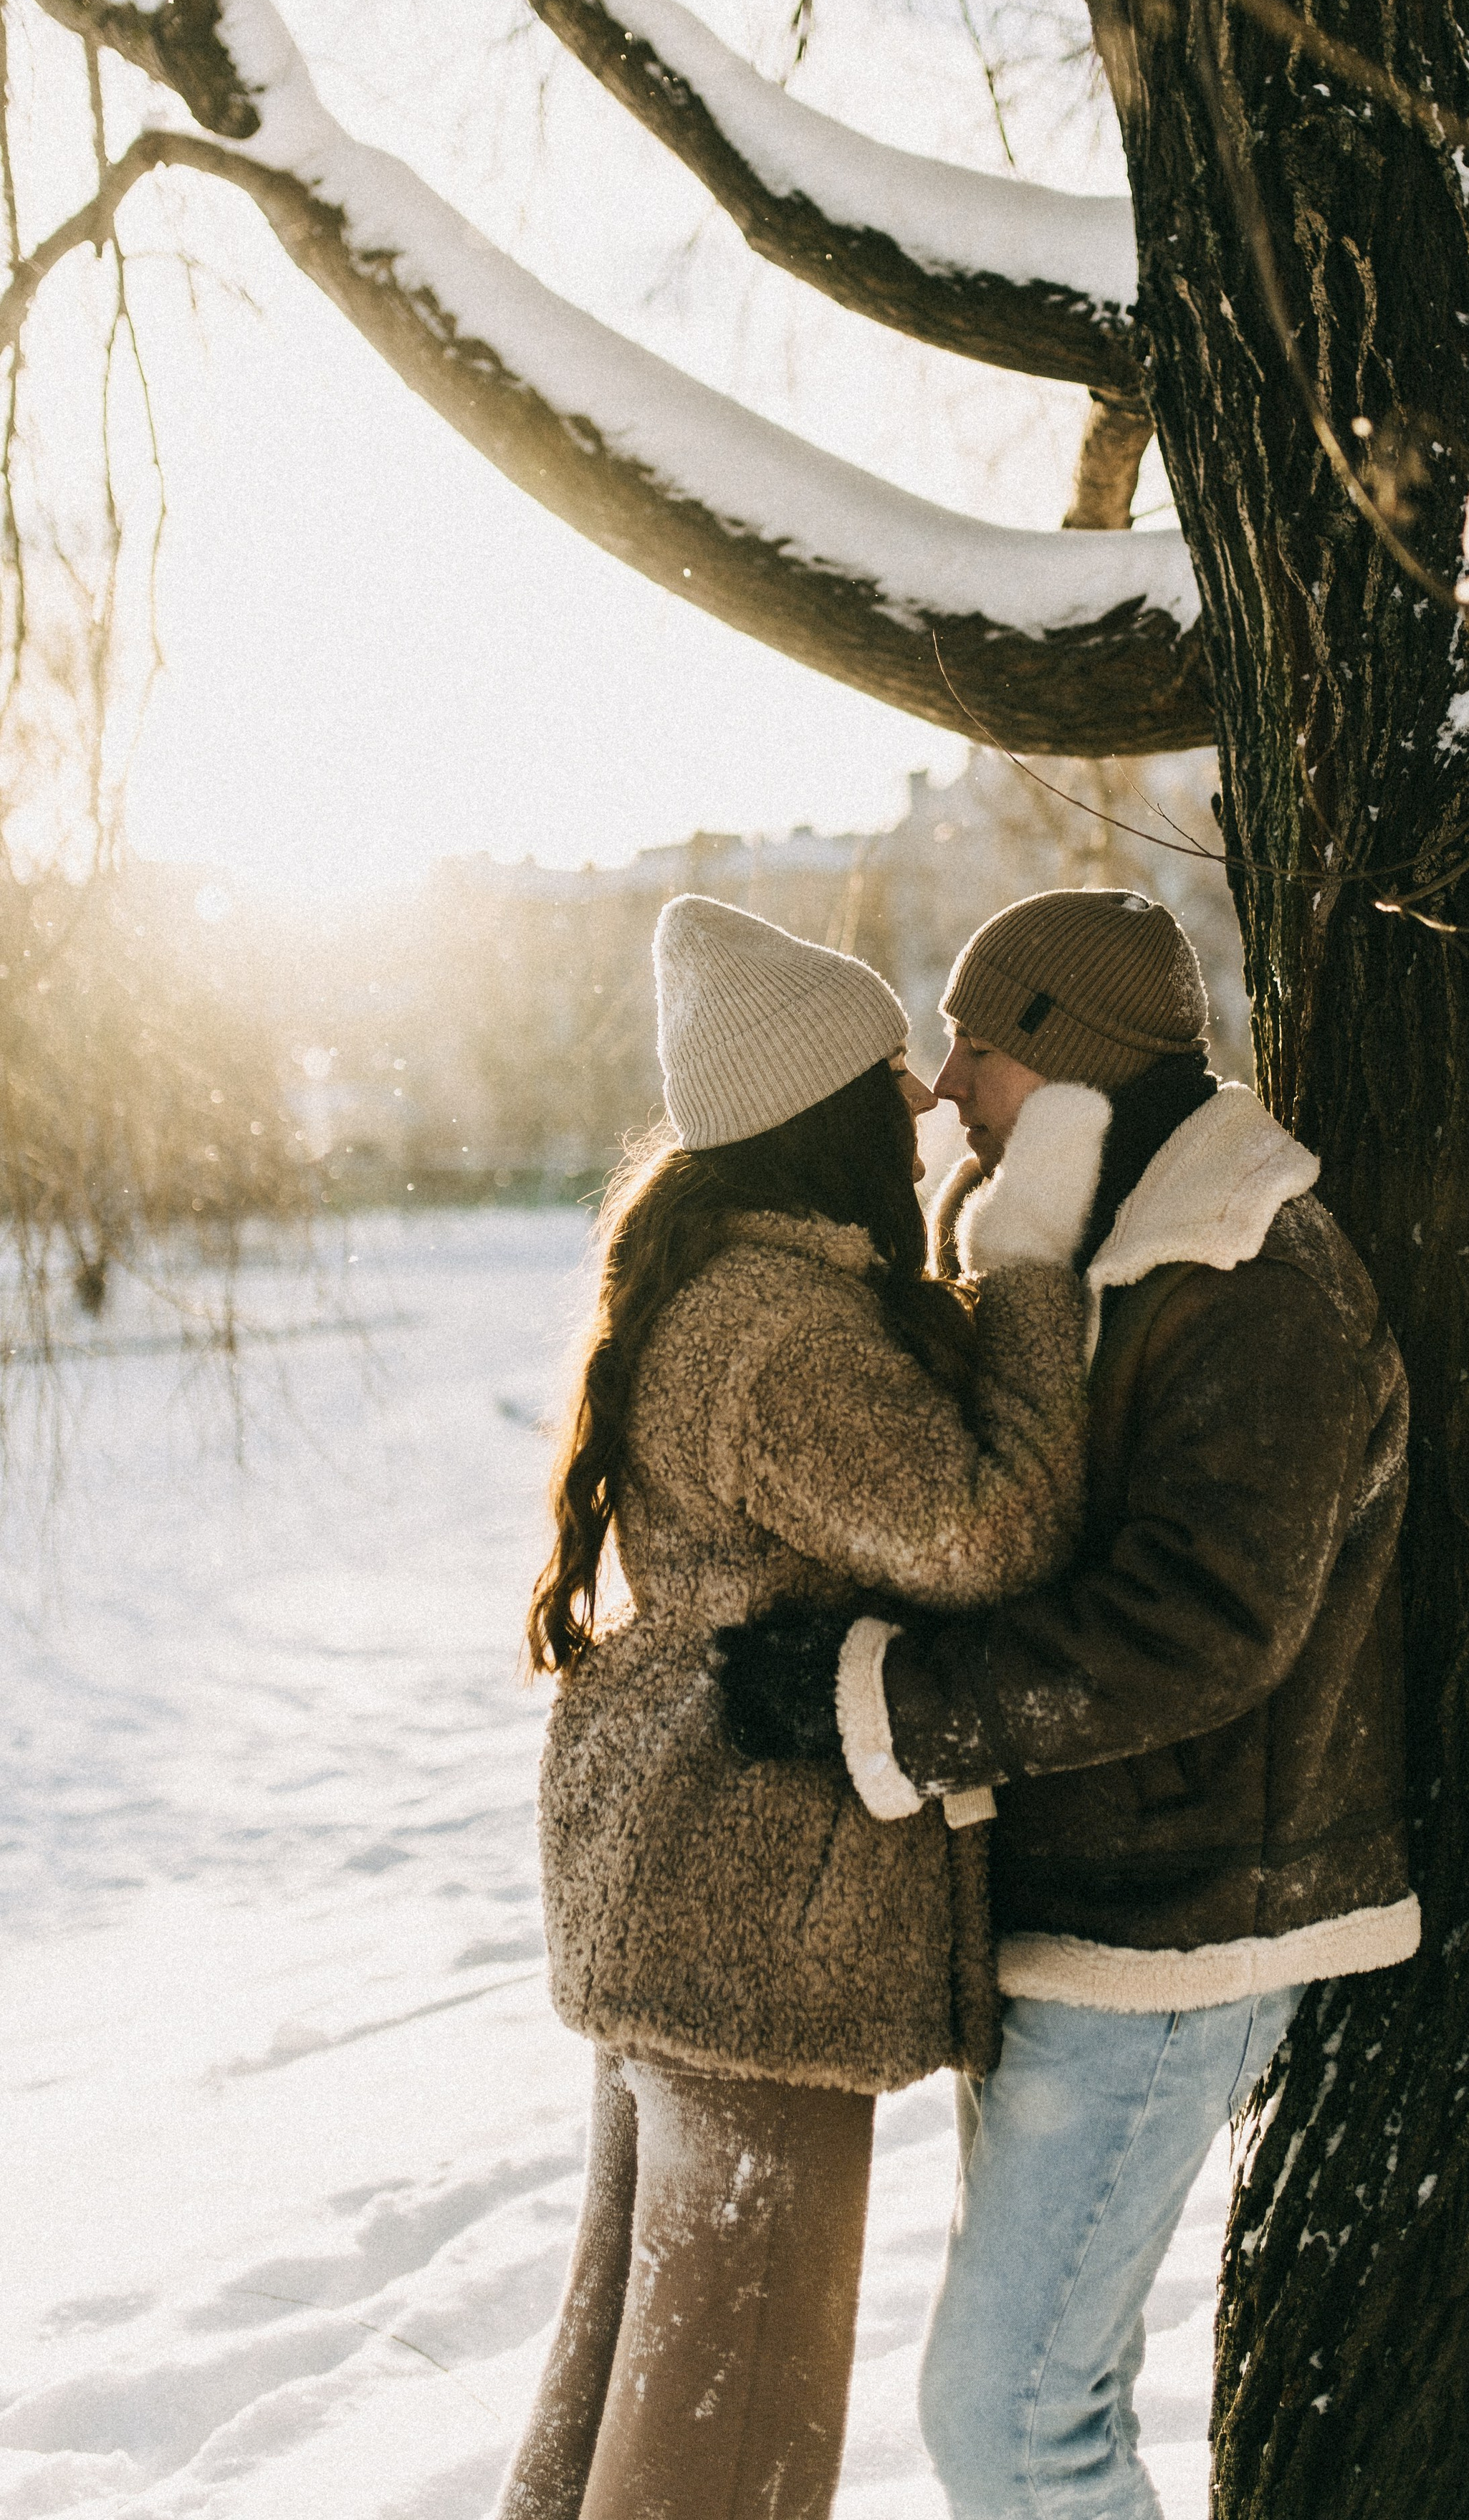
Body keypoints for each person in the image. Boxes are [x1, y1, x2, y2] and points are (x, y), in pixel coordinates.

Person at [716, 886, 1417, 2520]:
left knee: (1009, 2418)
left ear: (1075, 1052)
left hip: (1186, 1917)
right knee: (1036, 2400)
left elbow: (1202, 1629)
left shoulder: (1251, 1269)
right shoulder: (1083, 1241)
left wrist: (887, 1709)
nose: (946, 1085)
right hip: (1080, 1893)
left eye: (977, 1044)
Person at [495, 891, 1113, 2520]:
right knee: (732, 2432)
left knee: (626, 2379)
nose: (920, 1099)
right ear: (816, 1114)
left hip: (688, 1898)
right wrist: (1030, 1270)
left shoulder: (739, 1291)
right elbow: (983, 1528)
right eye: (885, 1073)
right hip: (753, 1926)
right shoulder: (778, 1333)